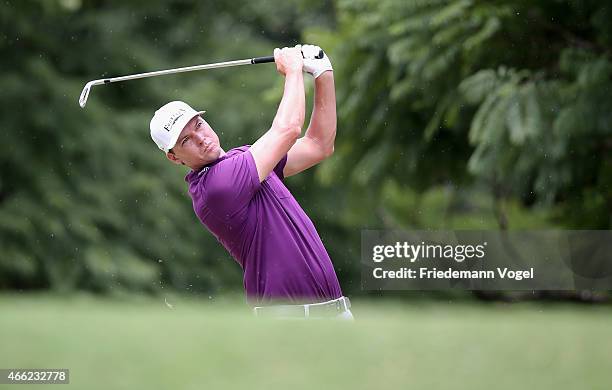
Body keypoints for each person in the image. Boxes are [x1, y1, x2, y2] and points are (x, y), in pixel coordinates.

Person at [149, 44, 352, 320]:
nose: (200, 138)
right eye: (186, 140)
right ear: (174, 158)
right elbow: (289, 128)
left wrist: (322, 73)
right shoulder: (216, 187)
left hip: (335, 312)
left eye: (197, 125)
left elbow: (319, 145)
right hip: (290, 321)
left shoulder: (245, 160)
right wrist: (293, 70)